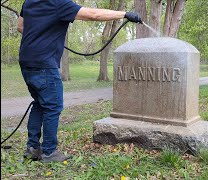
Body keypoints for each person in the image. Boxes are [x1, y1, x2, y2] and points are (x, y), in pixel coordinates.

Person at [17, 0, 141, 163]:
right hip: (44, 63)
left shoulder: (29, 2)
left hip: (26, 60)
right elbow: (93, 14)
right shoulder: (58, 3)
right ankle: (49, 152)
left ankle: (32, 148)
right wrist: (124, 14)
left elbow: (20, 26)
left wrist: (41, 35)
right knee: (53, 106)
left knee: (40, 103)